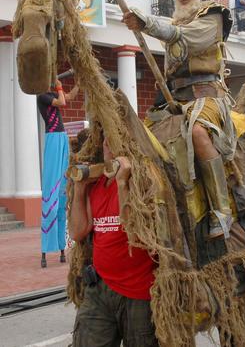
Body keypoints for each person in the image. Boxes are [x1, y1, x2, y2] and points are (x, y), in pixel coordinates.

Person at [123, 0, 234, 240]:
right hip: (176, 98)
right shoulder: (177, 19)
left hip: (207, 95)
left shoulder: (213, 15)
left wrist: (146, 23)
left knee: (198, 132)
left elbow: (182, 37)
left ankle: (222, 210)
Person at [69, 136, 158, 346]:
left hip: (139, 292)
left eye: (114, 141)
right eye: (106, 142)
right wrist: (80, 189)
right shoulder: (96, 184)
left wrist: (122, 183)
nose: (109, 147)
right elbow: (77, 231)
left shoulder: (145, 182)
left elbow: (136, 235)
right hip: (99, 288)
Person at [37, 77, 79, 268]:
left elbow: (68, 96)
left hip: (61, 137)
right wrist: (59, 85)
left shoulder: (51, 93)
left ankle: (62, 246)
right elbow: (62, 101)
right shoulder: (42, 96)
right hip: (53, 138)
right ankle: (47, 247)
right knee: (52, 195)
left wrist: (79, 83)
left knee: (63, 189)